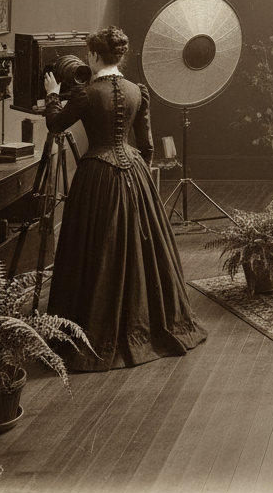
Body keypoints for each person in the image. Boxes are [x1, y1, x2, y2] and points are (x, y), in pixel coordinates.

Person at [44, 26, 207, 370]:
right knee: (138, 245)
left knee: (96, 248)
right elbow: (145, 145)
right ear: (120, 56)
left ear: (93, 55)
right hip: (133, 170)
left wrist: (52, 95)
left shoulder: (85, 94)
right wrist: (139, 177)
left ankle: (96, 326)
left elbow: (56, 125)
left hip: (97, 175)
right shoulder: (137, 91)